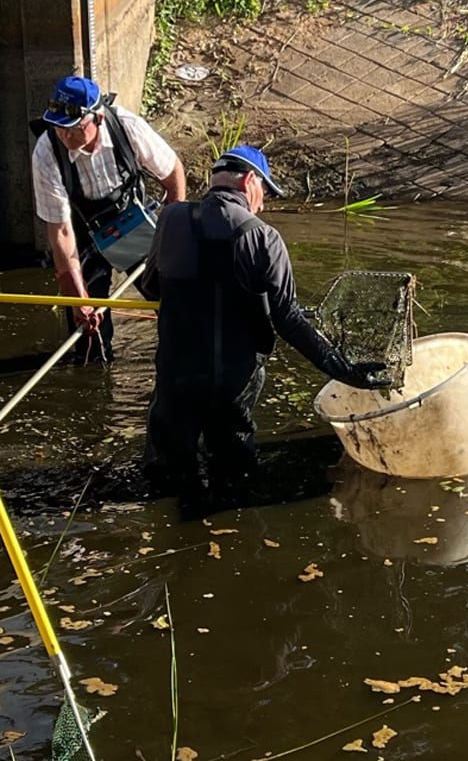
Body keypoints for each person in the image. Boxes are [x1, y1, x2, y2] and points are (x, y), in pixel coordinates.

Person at [140, 145, 391, 503]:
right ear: (249, 180)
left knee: (167, 472)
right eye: (266, 193)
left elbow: (150, 288)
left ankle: (165, 532)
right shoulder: (263, 237)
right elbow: (287, 319)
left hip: (177, 374)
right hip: (232, 380)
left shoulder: (170, 219)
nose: (264, 204)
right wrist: (344, 369)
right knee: (233, 471)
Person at [31, 74, 187, 364]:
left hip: (131, 224)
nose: (64, 137)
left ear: (97, 119)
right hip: (83, 234)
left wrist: (174, 233)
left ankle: (178, 364)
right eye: (58, 128)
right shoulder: (47, 152)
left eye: (73, 129)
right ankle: (94, 379)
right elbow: (61, 234)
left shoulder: (127, 127)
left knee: (174, 302)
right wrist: (79, 299)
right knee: (89, 333)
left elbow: (172, 172)